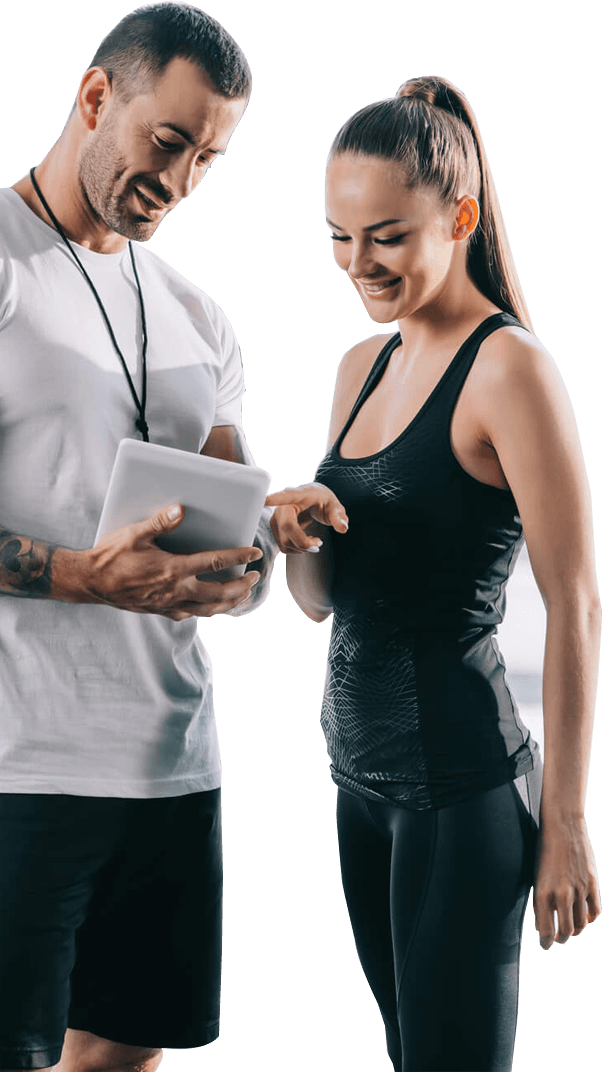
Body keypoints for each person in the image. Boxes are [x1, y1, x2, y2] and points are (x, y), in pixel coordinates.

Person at [0, 6, 288, 1071]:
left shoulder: (198, 316)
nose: (180, 179)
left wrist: (252, 557)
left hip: (173, 767)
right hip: (8, 765)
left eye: (209, 158)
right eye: (167, 141)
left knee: (127, 1057)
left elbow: (236, 525)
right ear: (93, 100)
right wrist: (79, 575)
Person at [265, 76, 602, 1071]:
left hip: (461, 792)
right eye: (338, 235)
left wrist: (568, 821)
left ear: (459, 218)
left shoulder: (511, 369)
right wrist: (300, 538)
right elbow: (325, 604)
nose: (357, 262)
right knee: (406, 1049)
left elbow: (575, 597)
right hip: (356, 784)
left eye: (387, 236)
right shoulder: (354, 368)